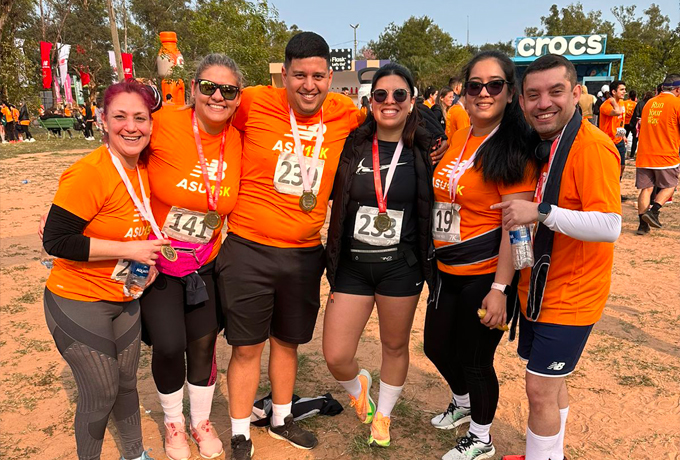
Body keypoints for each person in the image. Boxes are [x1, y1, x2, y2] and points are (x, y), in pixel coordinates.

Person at [214, 32, 365, 460]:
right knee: (246, 347)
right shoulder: (253, 102)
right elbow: (202, 121)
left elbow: (394, 125)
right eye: (299, 75)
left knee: (287, 342)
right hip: (248, 248)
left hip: (303, 253)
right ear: (284, 75)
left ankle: (281, 418)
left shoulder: (345, 113)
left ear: (330, 77)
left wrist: (435, 142)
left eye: (317, 76)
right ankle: (240, 432)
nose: (308, 85)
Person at [496, 54, 621, 460]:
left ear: (576, 93)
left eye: (555, 91)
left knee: (539, 391)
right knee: (552, 382)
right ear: (522, 101)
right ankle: (551, 453)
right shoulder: (549, 145)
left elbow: (610, 226)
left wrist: (541, 212)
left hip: (570, 297)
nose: (544, 103)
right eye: (533, 95)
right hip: (542, 290)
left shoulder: (591, 147)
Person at [41, 79, 166, 460]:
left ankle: (135, 454)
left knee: (127, 384)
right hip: (77, 300)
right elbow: (56, 240)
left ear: (151, 124)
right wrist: (129, 249)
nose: (131, 127)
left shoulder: (143, 167)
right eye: (120, 117)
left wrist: (144, 260)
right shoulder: (90, 172)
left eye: (140, 118)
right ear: (102, 120)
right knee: (101, 392)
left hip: (124, 295)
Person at [425, 50, 539, 460]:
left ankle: (481, 438)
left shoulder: (516, 148)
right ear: (464, 92)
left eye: (494, 85)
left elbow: (517, 227)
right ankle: (463, 403)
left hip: (488, 273)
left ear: (510, 92)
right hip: (446, 267)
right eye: (475, 85)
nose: (484, 93)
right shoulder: (460, 135)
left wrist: (500, 289)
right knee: (436, 347)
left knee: (475, 360)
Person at [324, 63, 436, 448]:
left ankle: (383, 414)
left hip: (401, 268)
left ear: (412, 100)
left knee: (394, 345)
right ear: (370, 102)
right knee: (336, 354)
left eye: (399, 94)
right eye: (381, 94)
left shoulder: (427, 149)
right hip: (352, 267)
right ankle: (359, 388)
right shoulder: (351, 144)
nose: (390, 101)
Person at [141, 54, 243, 460]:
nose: (218, 96)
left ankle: (200, 421)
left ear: (238, 98)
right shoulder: (164, 123)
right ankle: (174, 423)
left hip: (207, 263)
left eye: (228, 90)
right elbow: (117, 157)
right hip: (160, 261)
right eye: (209, 87)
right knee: (168, 345)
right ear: (193, 88)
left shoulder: (239, 135)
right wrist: (68, 210)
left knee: (203, 344)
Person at [634, 74, 680, 235]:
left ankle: (642, 226)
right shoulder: (676, 103)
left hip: (644, 154)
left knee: (646, 189)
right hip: (665, 154)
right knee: (670, 185)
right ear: (677, 89)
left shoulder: (649, 103)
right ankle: (653, 212)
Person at [599, 80, 627, 179]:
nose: (624, 92)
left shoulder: (622, 102)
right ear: (614, 91)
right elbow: (617, 112)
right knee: (609, 168)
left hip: (619, 139)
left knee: (622, 166)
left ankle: (617, 183)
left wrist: (623, 135)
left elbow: (621, 120)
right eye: (621, 90)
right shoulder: (606, 105)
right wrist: (613, 101)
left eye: (625, 89)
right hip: (608, 141)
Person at [624, 90, 638, 158]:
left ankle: (622, 153)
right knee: (634, 139)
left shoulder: (624, 103)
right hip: (632, 123)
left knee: (622, 138)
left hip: (625, 122)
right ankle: (632, 155)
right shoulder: (636, 104)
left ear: (629, 95)